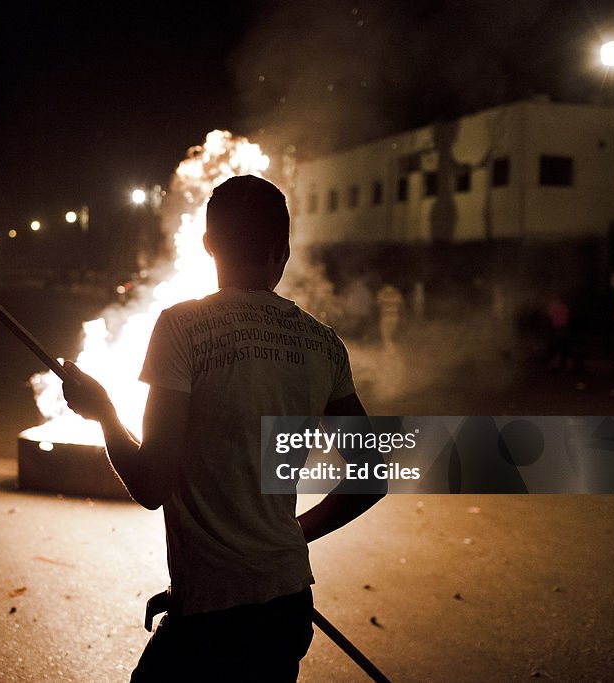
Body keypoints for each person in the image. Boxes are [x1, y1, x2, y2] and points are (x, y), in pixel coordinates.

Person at [62, 175, 383, 681]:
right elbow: (372, 475)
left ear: (208, 243)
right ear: (284, 249)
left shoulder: (181, 327)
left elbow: (150, 485)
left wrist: (103, 412)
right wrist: (284, 540)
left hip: (210, 618)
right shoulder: (324, 344)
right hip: (285, 606)